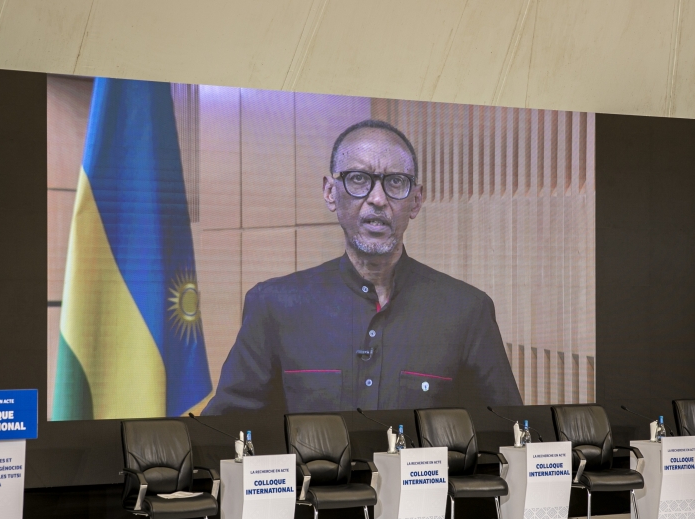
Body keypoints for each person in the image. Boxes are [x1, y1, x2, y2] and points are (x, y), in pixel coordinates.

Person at [203, 119, 521, 415]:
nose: (378, 199)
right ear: (330, 192)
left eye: (396, 182)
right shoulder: (275, 305)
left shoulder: (467, 311)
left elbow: (507, 438)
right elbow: (228, 434)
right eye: (359, 179)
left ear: (417, 200)